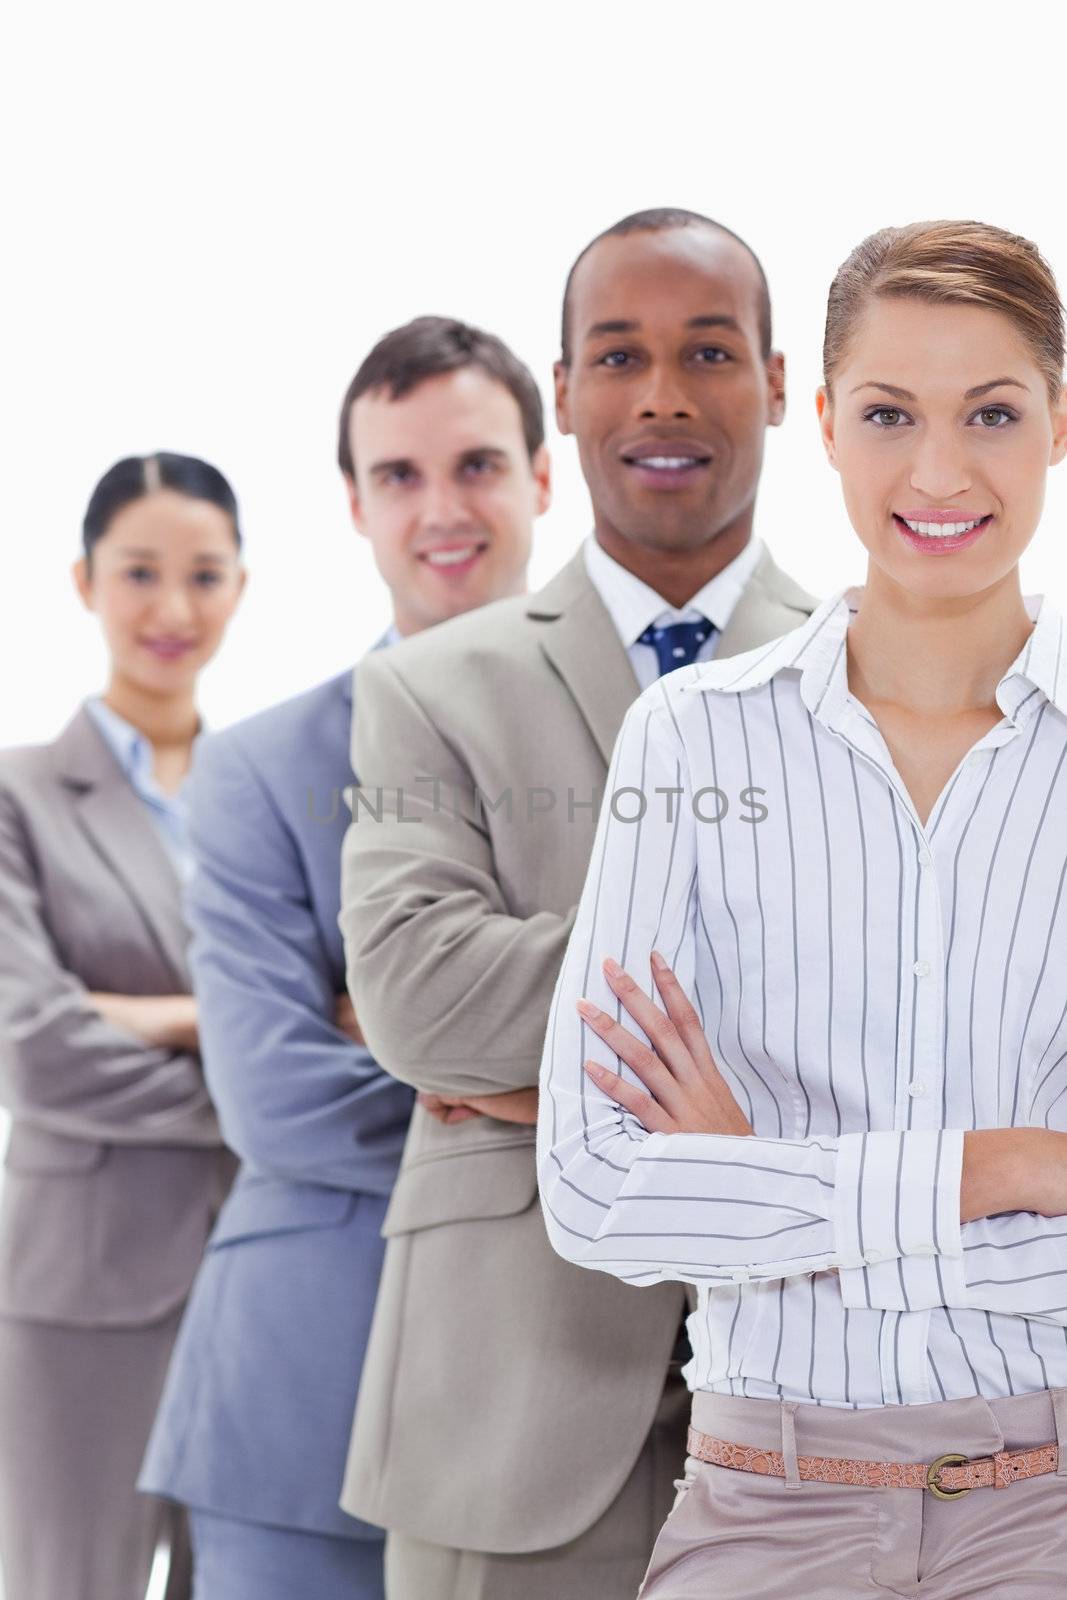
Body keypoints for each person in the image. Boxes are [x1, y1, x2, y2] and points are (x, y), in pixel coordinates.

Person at [538, 218, 1067, 1600]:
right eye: (888, 413)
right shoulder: (690, 744)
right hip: (762, 1508)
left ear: (1057, 425)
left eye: (991, 414)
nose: (937, 470)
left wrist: (755, 1180)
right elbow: (593, 1189)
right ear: (823, 421)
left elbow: (672, 1203)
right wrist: (1001, 1171)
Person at [339, 209, 816, 1598]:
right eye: (617, 355)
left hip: (822, 1401)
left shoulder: (882, 682)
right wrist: (769, 995)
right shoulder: (428, 687)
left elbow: (929, 1023)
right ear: (563, 395)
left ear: (778, 385)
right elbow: (420, 998)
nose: (660, 394)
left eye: (707, 352)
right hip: (503, 1403)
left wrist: (546, 1078)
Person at [139, 315, 550, 1600]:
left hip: (564, 1407)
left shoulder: (652, 748)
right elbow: (271, 1093)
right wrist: (574, 1107)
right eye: (399, 475)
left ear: (545, 476)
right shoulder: (261, 770)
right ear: (355, 506)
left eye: (477, 464)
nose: (442, 508)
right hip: (302, 1393)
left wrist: (411, 1029)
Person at [0, 452, 246, 1600]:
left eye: (203, 574)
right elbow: (33, 1048)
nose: (172, 608)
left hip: (260, 1272)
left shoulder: (273, 789)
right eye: (139, 572)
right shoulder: (19, 794)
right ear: (83, 580)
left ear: (240, 586)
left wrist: (148, 1017)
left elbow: (350, 1026)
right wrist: (243, 1050)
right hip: (83, 1294)